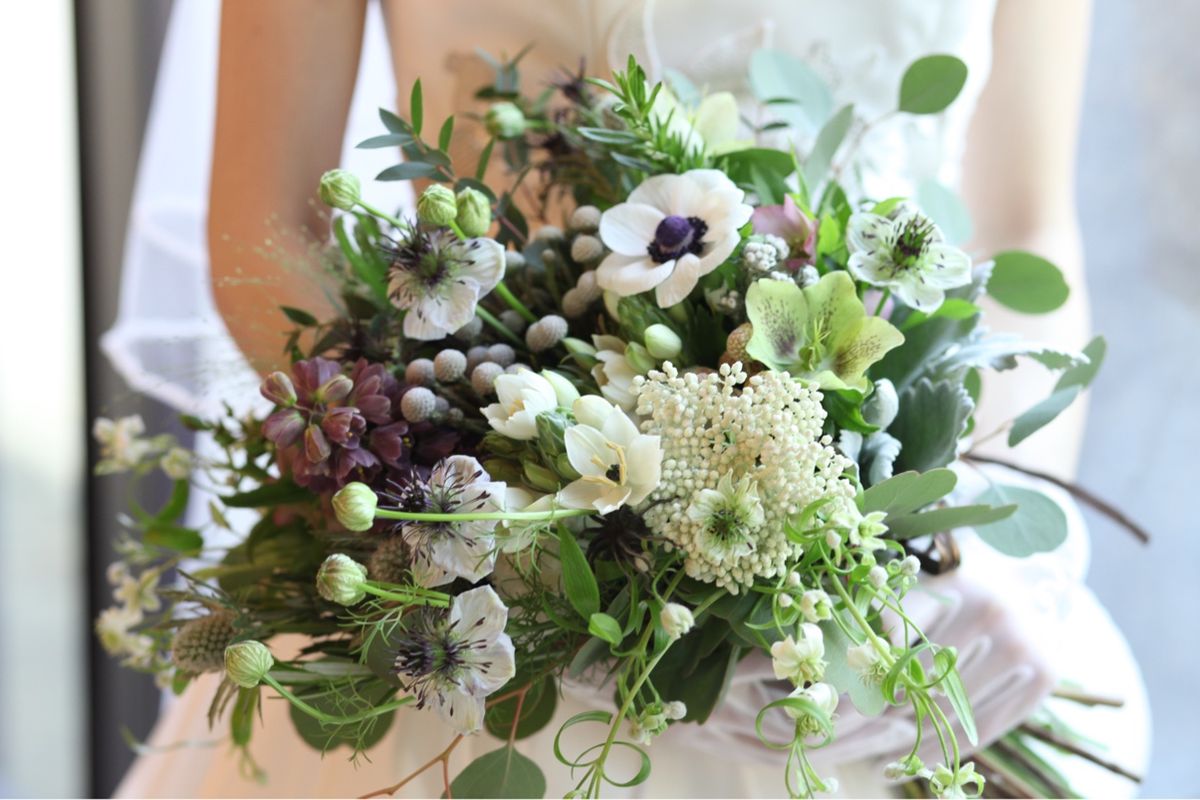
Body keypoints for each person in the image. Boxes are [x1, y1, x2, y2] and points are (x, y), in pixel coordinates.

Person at [109, 1, 1149, 796]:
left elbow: (1022, 226)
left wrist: (970, 538)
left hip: (891, 590)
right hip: (495, 561)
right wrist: (497, 527)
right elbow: (264, 220)